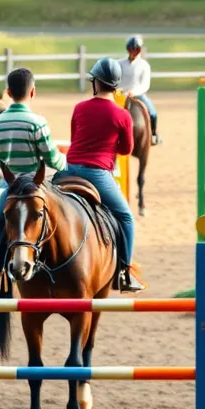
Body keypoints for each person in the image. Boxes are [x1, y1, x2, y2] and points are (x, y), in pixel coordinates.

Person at [53, 57, 142, 292]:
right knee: (126, 218)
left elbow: (74, 139)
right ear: (115, 85)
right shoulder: (122, 115)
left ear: (96, 83)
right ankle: (125, 272)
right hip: (97, 174)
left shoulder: (80, 108)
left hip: (68, 168)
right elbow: (126, 150)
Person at [0, 68, 67, 298]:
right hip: (37, 184)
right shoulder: (37, 122)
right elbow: (50, 157)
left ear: (8, 92)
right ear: (33, 92)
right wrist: (64, 163)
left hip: (12, 186)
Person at [119, 35, 160, 144]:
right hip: (120, 95)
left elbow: (145, 84)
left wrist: (133, 92)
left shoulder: (144, 66)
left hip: (137, 95)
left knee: (152, 113)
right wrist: (119, 90)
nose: (133, 52)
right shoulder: (120, 64)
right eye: (131, 49)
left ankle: (154, 134)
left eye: (136, 49)